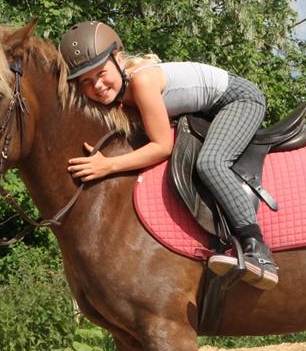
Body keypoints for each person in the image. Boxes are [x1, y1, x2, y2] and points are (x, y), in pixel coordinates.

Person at [59, 20, 278, 290]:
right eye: (86, 82)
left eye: (101, 73)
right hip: (209, 109)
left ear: (117, 59)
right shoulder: (121, 93)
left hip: (239, 100)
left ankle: (257, 248)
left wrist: (108, 165)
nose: (98, 86)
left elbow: (162, 146)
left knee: (211, 163)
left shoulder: (141, 81)